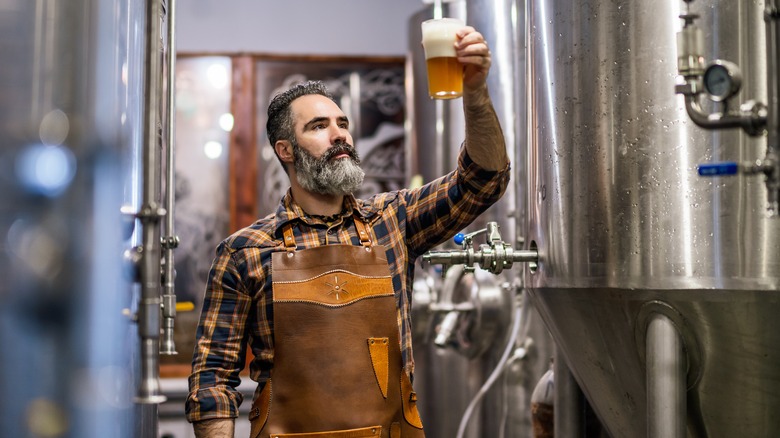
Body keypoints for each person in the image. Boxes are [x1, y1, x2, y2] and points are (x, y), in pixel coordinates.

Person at [186, 24, 510, 438]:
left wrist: (476, 93)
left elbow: (483, 180)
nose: (340, 134)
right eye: (319, 126)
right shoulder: (245, 251)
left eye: (342, 122)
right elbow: (212, 381)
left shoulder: (393, 220)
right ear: (285, 150)